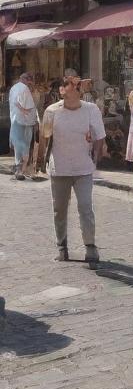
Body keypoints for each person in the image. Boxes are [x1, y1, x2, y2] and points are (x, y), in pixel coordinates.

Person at [40, 75, 105, 266]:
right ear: (62, 90)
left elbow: (99, 135)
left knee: (85, 208)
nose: (77, 87)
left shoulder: (91, 109)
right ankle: (62, 246)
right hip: (59, 168)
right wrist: (39, 159)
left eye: (79, 84)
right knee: (59, 210)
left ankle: (90, 246)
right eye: (71, 83)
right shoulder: (52, 111)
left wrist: (96, 156)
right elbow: (44, 136)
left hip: (83, 168)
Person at [8, 72, 38, 180]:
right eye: (30, 80)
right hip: (24, 120)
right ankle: (21, 168)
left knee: (19, 143)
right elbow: (19, 103)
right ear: (26, 80)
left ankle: (20, 169)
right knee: (24, 144)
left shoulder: (14, 88)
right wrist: (24, 111)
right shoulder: (23, 88)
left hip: (18, 119)